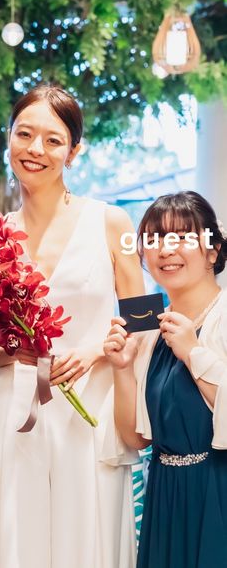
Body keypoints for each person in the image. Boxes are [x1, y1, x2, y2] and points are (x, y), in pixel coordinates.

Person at [0, 84, 145, 568]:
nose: (35, 149)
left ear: (74, 151)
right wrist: (14, 350)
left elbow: (144, 317)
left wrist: (95, 351)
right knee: (16, 543)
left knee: (85, 538)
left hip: (90, 407)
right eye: (24, 134)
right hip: (14, 410)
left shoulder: (113, 222)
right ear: (9, 137)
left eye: (53, 140)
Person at [104, 191, 227, 568]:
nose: (166, 249)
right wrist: (122, 368)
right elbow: (136, 438)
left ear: (212, 251)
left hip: (217, 491)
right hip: (165, 494)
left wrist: (193, 352)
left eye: (183, 237)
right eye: (155, 238)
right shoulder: (149, 329)